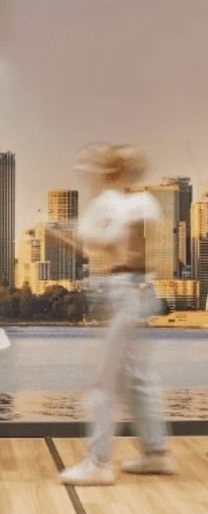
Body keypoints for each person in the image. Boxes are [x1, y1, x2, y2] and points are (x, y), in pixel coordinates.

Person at [58, 143, 174, 486]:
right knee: (137, 378)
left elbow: (130, 251)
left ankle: (98, 462)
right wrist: (73, 239)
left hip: (129, 292)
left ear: (116, 169)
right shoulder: (118, 203)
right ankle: (156, 454)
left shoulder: (134, 203)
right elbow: (105, 248)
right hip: (128, 291)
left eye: (105, 161)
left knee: (102, 380)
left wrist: (100, 239)